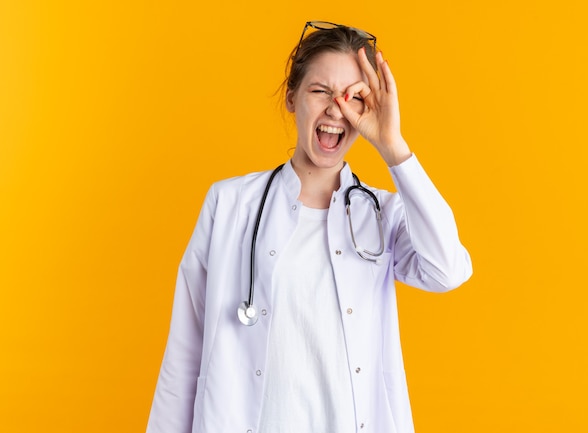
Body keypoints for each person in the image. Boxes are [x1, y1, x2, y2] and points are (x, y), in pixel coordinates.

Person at [146, 21, 472, 433]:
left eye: (355, 96)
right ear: (291, 97)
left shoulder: (382, 214)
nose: (337, 108)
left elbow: (448, 270)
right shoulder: (229, 205)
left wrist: (393, 146)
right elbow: (184, 353)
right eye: (320, 91)